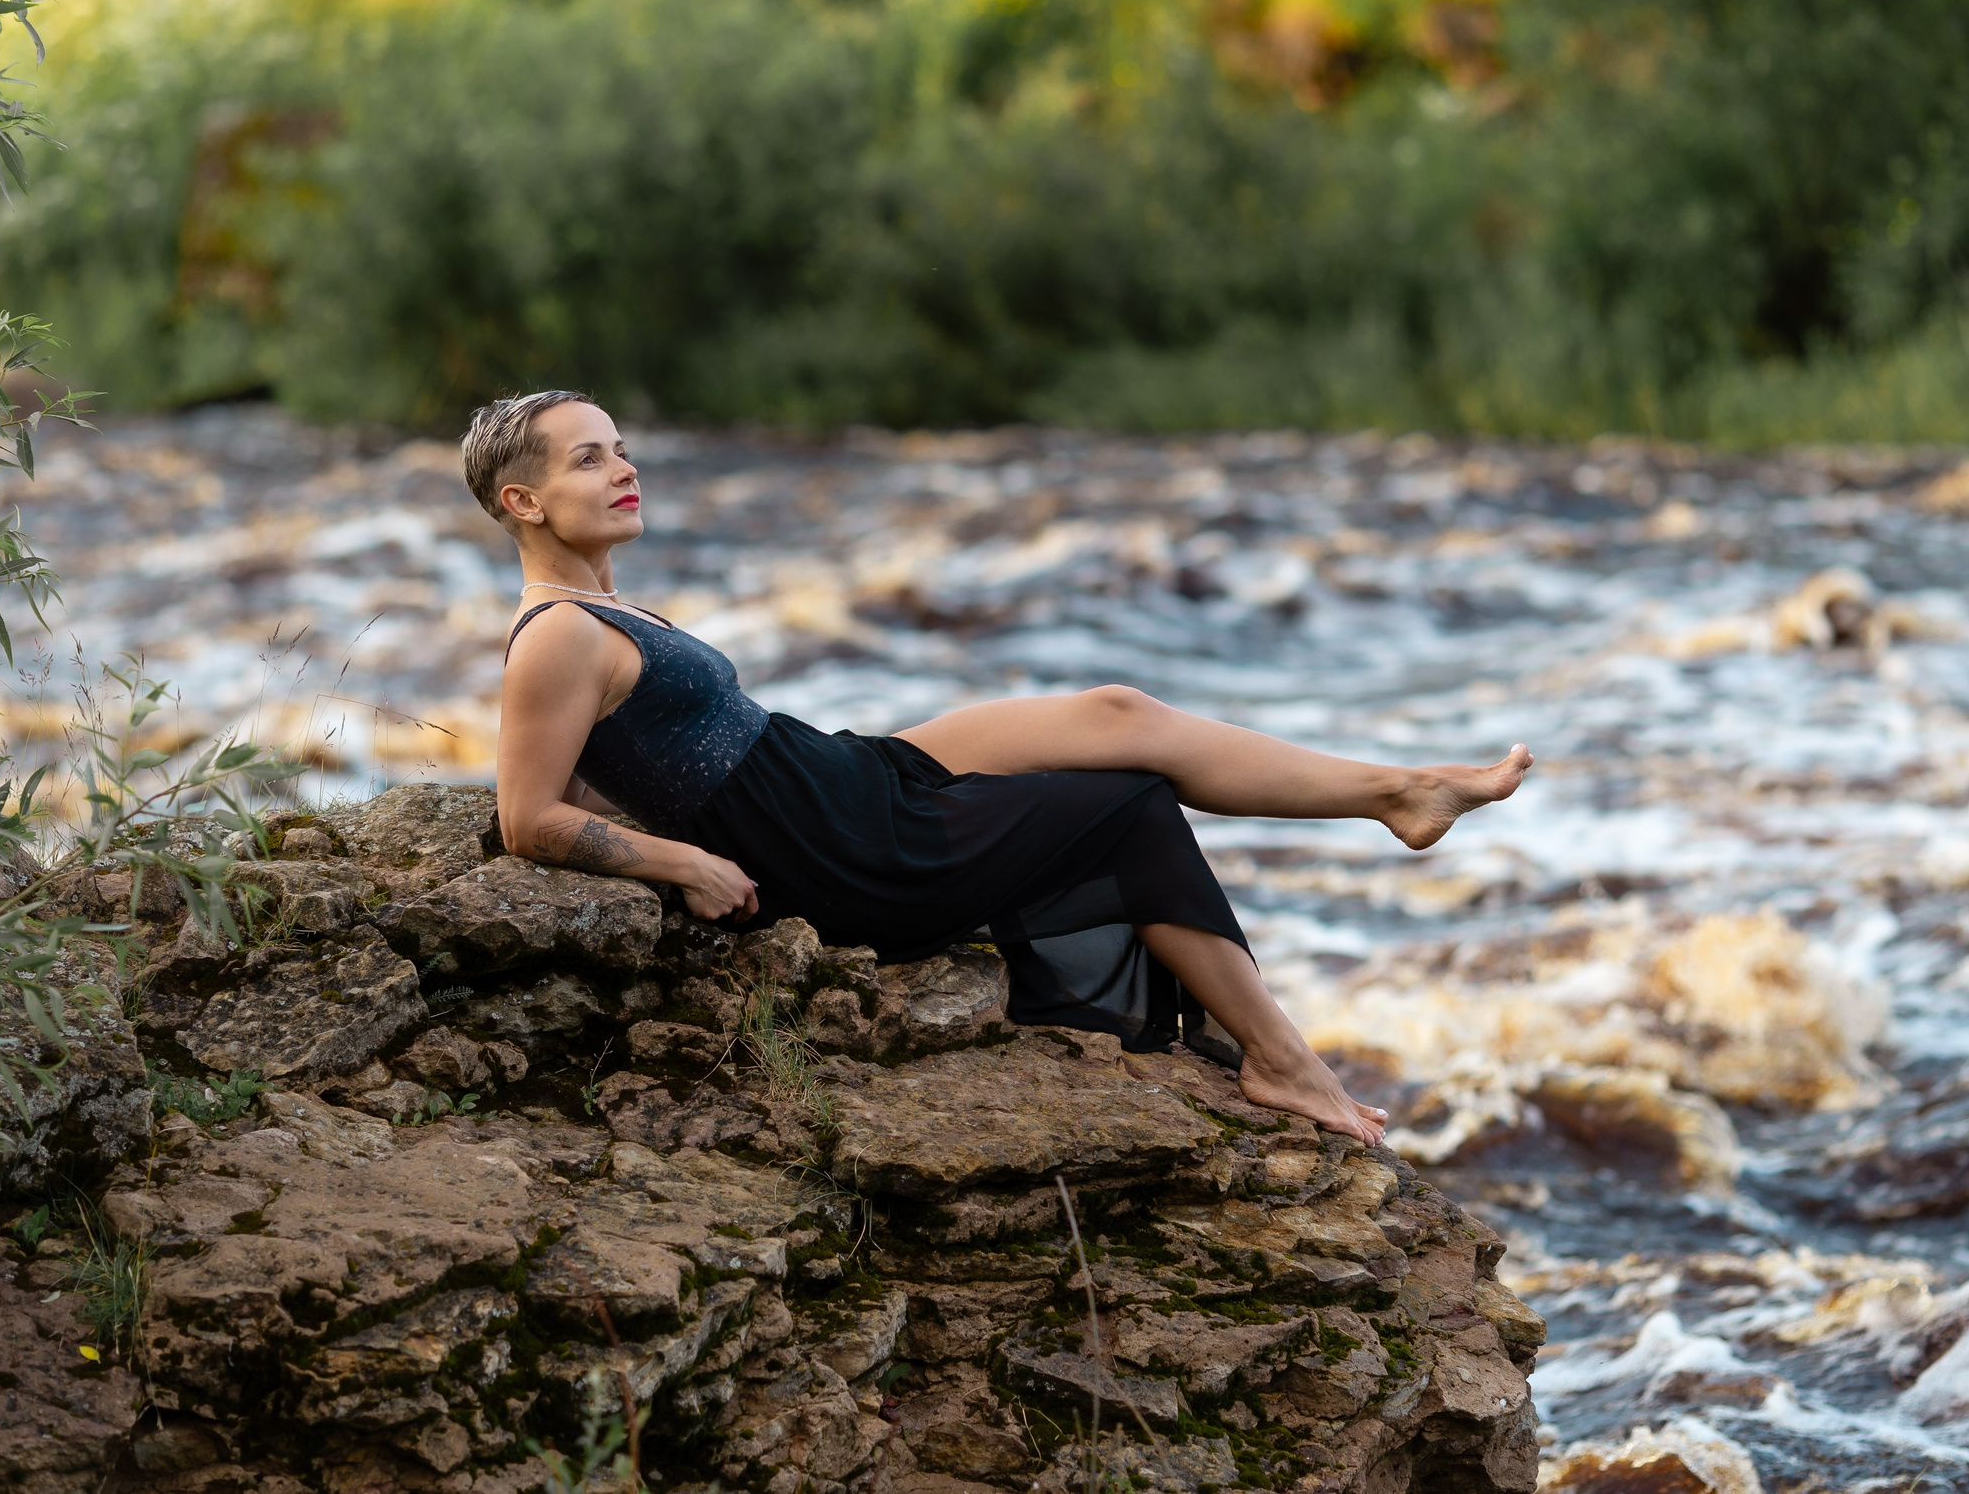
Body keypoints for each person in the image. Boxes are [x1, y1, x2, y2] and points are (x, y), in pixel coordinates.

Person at [474, 390, 1532, 1147]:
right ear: (522, 504)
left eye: (619, 448)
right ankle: (1279, 1059)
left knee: (1117, 714)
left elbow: (612, 764)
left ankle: (1400, 793)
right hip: (836, 849)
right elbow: (526, 816)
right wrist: (682, 867)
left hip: (831, 779)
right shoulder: (556, 633)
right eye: (586, 459)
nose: (623, 469)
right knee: (1126, 809)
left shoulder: (606, 607)